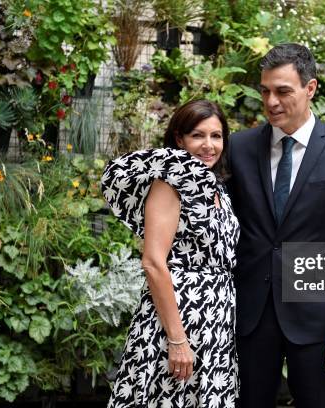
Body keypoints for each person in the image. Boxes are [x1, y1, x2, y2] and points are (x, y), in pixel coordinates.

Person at [227, 43, 325, 407]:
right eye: (265, 91)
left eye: (283, 91)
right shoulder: (238, 148)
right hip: (251, 315)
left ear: (310, 89)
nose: (271, 101)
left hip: (317, 317)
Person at [101, 99, 240, 408]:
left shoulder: (217, 188)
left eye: (216, 136)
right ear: (179, 139)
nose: (208, 145)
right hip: (176, 323)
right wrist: (177, 340)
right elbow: (152, 262)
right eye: (198, 135)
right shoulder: (169, 184)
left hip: (215, 325)